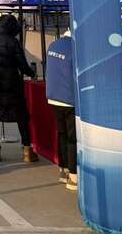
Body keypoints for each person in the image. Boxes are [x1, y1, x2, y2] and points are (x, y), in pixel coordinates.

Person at [0, 14, 38, 163]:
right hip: (12, 84)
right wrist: (32, 73)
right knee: (21, 117)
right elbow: (22, 65)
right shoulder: (13, 42)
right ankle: (27, 151)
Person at [46, 30, 77, 191]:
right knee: (73, 138)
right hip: (69, 98)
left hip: (54, 96)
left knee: (62, 134)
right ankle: (73, 176)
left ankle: (63, 169)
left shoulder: (53, 45)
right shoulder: (75, 47)